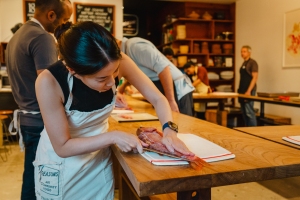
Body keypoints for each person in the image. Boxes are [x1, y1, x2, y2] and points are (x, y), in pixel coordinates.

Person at [33, 21, 193, 199]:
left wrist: (169, 131)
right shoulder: (49, 82)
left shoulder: (117, 60)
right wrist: (113, 136)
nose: (111, 83)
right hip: (62, 165)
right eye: (101, 79)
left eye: (115, 72)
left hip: (97, 161)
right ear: (73, 71)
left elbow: (158, 98)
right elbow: (62, 147)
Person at [5, 0, 72, 199]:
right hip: (41, 121)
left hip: (27, 118)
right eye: (65, 19)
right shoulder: (42, 38)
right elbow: (51, 83)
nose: (65, 24)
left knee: (33, 174)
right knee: (42, 181)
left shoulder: (18, 35)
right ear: (51, 15)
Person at [117, 37, 195, 116]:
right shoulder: (126, 52)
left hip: (175, 88)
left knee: (181, 123)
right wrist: (123, 87)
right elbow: (138, 74)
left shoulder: (135, 46)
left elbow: (163, 68)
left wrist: (170, 101)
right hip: (163, 87)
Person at [238, 45, 258, 126]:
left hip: (249, 90)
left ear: (249, 52)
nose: (242, 53)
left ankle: (254, 131)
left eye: (244, 51)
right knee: (244, 112)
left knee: (249, 112)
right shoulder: (244, 63)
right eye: (241, 51)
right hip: (242, 90)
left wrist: (249, 91)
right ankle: (247, 130)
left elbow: (255, 77)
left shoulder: (252, 63)